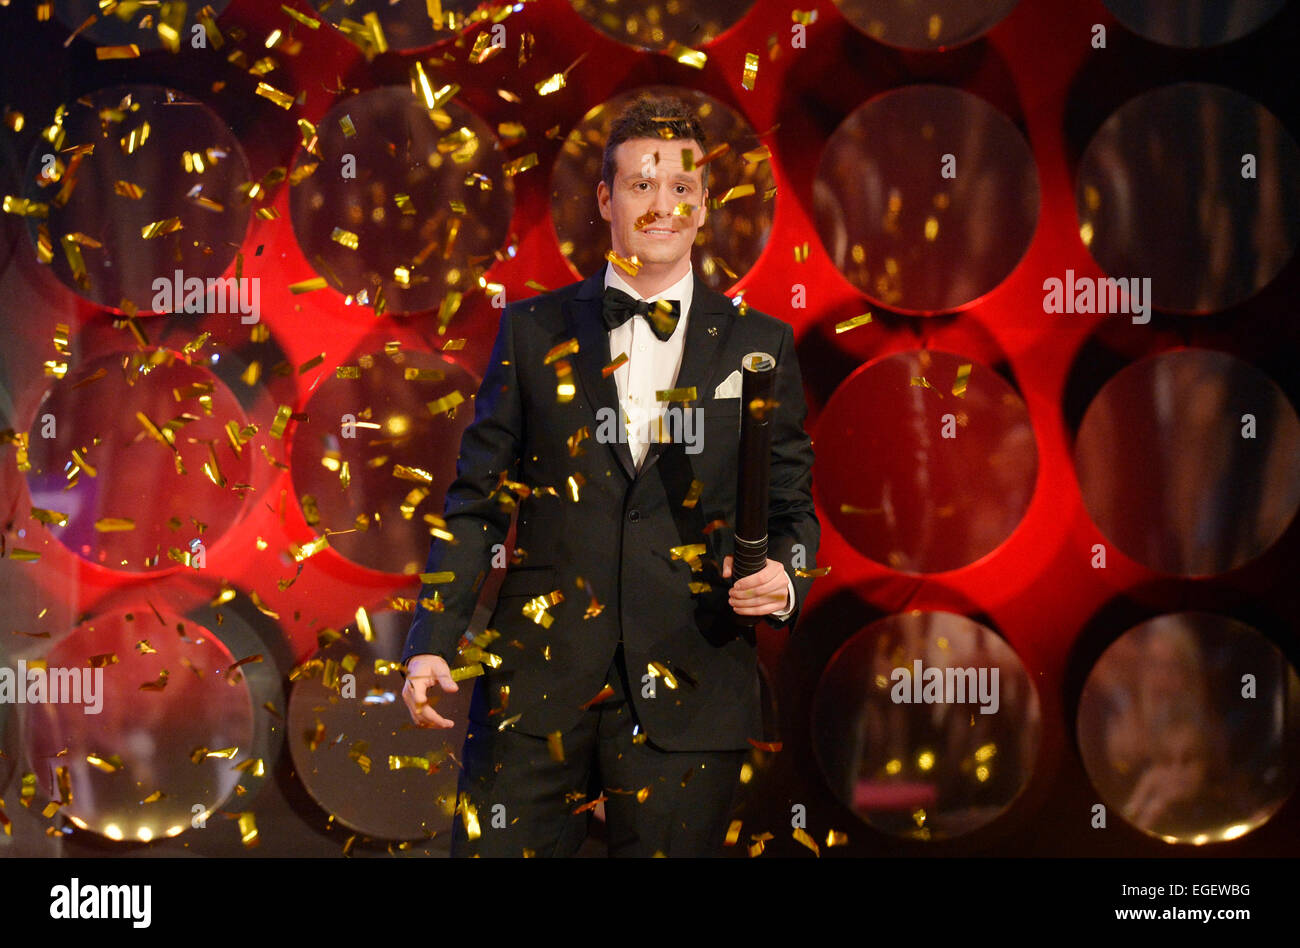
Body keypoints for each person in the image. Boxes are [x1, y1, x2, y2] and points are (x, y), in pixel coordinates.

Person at [400, 93, 820, 857]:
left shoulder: (763, 344)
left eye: (681, 188)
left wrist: (785, 581)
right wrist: (435, 633)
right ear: (605, 198)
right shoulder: (532, 332)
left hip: (694, 687)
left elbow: (793, 511)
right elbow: (477, 502)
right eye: (641, 185)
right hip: (535, 689)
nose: (663, 206)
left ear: (702, 205)